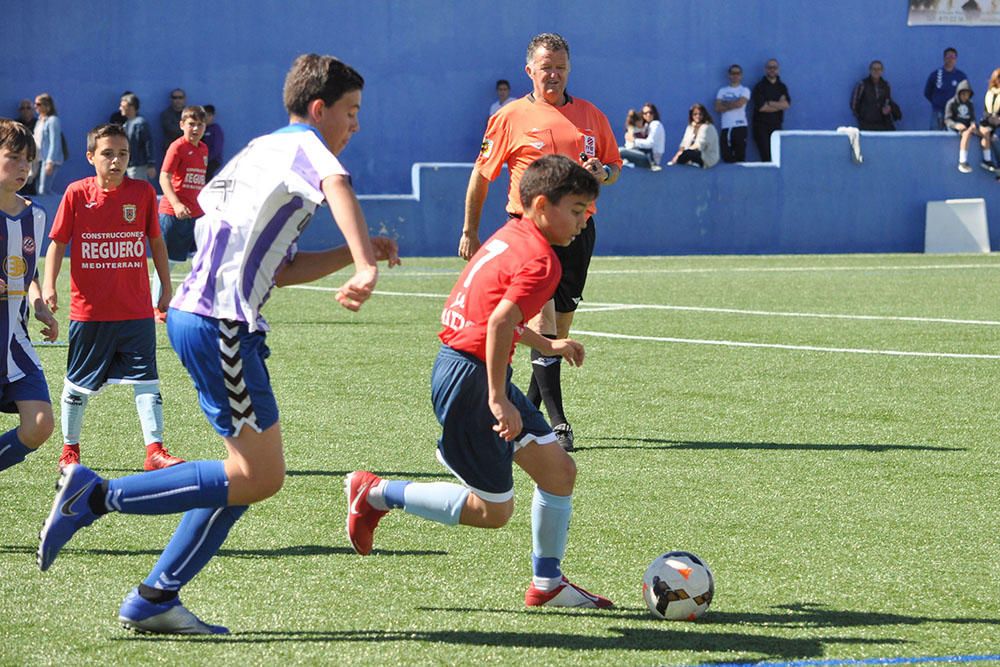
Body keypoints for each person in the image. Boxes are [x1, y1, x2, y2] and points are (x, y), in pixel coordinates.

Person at [37, 52, 399, 636]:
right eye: (351, 111)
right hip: (221, 323)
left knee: (243, 475)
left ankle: (156, 596)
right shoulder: (309, 149)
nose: (355, 124)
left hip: (205, 318)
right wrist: (362, 263)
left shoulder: (259, 152)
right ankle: (97, 496)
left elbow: (276, 268)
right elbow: (336, 183)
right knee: (261, 476)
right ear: (317, 109)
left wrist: (351, 256)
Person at [346, 154, 612, 610]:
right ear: (543, 204)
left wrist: (547, 346)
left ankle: (547, 585)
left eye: (587, 210)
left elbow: (496, 319)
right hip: (472, 379)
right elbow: (499, 323)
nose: (584, 219)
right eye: (577, 209)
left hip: (470, 366)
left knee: (559, 472)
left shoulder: (510, 236)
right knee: (493, 511)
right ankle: (375, 493)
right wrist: (496, 398)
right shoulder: (542, 261)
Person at [458, 32, 621, 453]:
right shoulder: (510, 117)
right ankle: (558, 425)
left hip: (579, 233)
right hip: (529, 236)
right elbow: (482, 174)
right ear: (529, 70)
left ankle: (527, 409)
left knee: (559, 328)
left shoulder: (591, 116)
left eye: (560, 67)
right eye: (546, 67)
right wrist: (469, 231)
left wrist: (601, 171)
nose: (554, 74)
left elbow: (614, 167)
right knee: (542, 324)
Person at [41, 123, 182, 472]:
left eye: (123, 154)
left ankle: (155, 451)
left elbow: (156, 242)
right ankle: (70, 449)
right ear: (91, 157)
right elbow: (57, 242)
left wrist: (165, 285)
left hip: (135, 310)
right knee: (77, 384)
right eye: (107, 154)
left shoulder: (144, 193)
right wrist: (48, 287)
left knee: (147, 379)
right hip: (90, 312)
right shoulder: (76, 194)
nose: (116, 161)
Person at [0, 119, 59, 474]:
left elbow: (28, 270)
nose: (23, 167)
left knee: (40, 424)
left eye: (29, 160)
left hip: (13, 342)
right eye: (14, 157)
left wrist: (39, 305)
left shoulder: (35, 215)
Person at [154, 105, 209, 321]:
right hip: (173, 214)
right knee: (166, 263)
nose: (195, 128)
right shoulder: (176, 147)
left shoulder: (203, 149)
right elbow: (164, 177)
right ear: (182, 125)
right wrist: (176, 204)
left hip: (196, 215)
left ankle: (196, 304)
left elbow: (197, 182)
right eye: (191, 124)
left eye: (200, 124)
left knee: (203, 259)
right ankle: (157, 308)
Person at [750, 59, 791, 162]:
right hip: (761, 128)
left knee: (778, 158)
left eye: (774, 67)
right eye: (770, 67)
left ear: (778, 69)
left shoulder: (782, 87)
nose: (772, 70)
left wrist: (769, 103)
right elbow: (762, 108)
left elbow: (786, 105)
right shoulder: (759, 87)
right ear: (765, 70)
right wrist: (778, 104)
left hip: (777, 126)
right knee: (766, 158)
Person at [850, 60, 902, 131]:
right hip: (867, 124)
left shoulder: (885, 85)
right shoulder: (862, 84)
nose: (876, 71)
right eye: (874, 69)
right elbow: (854, 104)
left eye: (879, 69)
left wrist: (888, 109)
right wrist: (862, 117)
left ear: (882, 71)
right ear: (870, 70)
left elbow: (888, 100)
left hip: (883, 123)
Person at [925, 47, 968, 130]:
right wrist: (936, 101)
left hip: (954, 113)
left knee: (954, 136)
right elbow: (927, 92)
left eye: (953, 57)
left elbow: (966, 94)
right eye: (948, 57)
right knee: (935, 136)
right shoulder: (935, 74)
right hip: (938, 111)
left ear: (956, 59)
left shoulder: (961, 76)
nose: (950, 60)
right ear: (944, 58)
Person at [715, 64, 751, 163]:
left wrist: (725, 103)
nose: (735, 75)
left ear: (741, 75)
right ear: (729, 75)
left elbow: (739, 104)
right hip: (726, 127)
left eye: (737, 73)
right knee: (726, 155)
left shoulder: (745, 90)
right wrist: (733, 103)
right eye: (733, 73)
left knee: (740, 156)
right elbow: (717, 108)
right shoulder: (722, 91)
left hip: (740, 126)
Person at [667, 103, 720, 168]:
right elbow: (684, 143)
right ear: (691, 115)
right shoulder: (690, 127)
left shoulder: (708, 127)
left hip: (707, 157)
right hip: (692, 154)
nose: (698, 116)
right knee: (683, 155)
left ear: (704, 115)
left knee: (688, 153)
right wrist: (676, 157)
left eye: (700, 114)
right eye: (695, 114)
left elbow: (699, 146)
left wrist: (685, 152)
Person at [119, 93, 156, 184]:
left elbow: (148, 143)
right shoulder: (126, 124)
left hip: (138, 166)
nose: (120, 108)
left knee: (138, 190)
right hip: (128, 165)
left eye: (122, 106)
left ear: (131, 107)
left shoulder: (140, 123)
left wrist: (151, 164)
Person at [31, 93, 64, 194]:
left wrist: (50, 162)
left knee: (43, 190)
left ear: (47, 106)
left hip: (49, 160)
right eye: (35, 104)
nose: (35, 106)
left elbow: (55, 142)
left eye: (38, 104)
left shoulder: (53, 120)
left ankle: (59, 206)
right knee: (38, 189)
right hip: (39, 159)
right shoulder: (40, 121)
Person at [945, 80, 980, 173]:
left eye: (967, 94)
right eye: (963, 94)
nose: (965, 96)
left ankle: (989, 160)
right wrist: (956, 125)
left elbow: (972, 118)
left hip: (968, 127)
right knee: (966, 133)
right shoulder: (951, 103)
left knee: (986, 134)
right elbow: (947, 120)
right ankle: (962, 162)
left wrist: (973, 124)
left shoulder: (970, 104)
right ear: (959, 93)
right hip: (956, 128)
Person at [620, 103, 666, 170]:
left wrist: (634, 140)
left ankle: (653, 165)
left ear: (655, 113)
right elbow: (631, 123)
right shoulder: (647, 125)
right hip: (643, 154)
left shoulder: (655, 124)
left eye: (650, 112)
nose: (648, 115)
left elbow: (650, 144)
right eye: (645, 113)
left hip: (650, 159)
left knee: (620, 151)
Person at [978, 68, 1000, 173]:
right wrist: (990, 118)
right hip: (989, 123)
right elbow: (986, 111)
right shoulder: (990, 93)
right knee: (990, 136)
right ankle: (989, 162)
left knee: (997, 138)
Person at [16, 100, 38, 195]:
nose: (25, 110)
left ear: (33, 110)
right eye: (22, 108)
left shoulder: (39, 123)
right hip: (20, 154)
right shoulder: (16, 124)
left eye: (28, 108)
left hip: (36, 155)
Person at [202, 104, 225, 181]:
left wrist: (207, 159)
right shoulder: (200, 129)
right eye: (204, 115)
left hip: (213, 160)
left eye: (209, 115)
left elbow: (216, 148)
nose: (206, 118)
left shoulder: (216, 129)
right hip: (201, 160)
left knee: (207, 176)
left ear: (213, 116)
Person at [160, 88, 186, 155]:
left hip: (187, 148)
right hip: (171, 149)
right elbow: (172, 130)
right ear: (171, 99)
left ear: (184, 99)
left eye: (180, 97)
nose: (178, 100)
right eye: (175, 98)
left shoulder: (190, 114)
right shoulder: (165, 114)